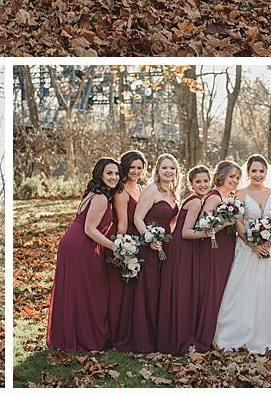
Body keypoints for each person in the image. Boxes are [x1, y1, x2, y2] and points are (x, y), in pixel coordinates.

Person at [212, 153, 271, 353]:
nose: (258, 174)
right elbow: (239, 223)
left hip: (270, 248)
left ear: (266, 172)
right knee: (245, 289)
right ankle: (236, 334)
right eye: (254, 171)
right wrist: (252, 244)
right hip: (247, 249)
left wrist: (270, 238)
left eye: (261, 171)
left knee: (269, 289)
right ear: (248, 172)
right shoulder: (239, 194)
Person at [46, 158, 119, 352]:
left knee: (77, 292)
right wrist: (114, 246)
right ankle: (83, 338)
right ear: (100, 175)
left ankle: (72, 335)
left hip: (72, 244)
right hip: (80, 246)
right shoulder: (101, 198)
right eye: (109, 173)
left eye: (116, 173)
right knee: (88, 292)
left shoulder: (93, 193)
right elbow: (90, 229)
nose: (114, 177)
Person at [157, 164, 215, 356]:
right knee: (183, 291)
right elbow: (186, 233)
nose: (203, 184)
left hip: (182, 249)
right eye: (198, 181)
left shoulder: (196, 200)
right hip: (183, 249)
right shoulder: (196, 202)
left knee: (180, 290)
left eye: (206, 181)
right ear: (191, 184)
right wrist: (210, 232)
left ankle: (172, 335)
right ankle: (180, 338)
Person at [128, 154, 181, 352]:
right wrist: (149, 239)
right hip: (150, 246)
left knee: (161, 289)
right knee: (149, 288)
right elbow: (138, 218)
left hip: (165, 246)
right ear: (157, 170)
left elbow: (172, 221)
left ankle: (159, 334)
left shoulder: (174, 192)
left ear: (177, 171)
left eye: (172, 168)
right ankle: (144, 337)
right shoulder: (152, 190)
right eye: (164, 168)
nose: (168, 171)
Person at [194, 159, 241, 350]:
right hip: (215, 249)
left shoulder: (229, 197)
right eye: (232, 176)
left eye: (237, 178)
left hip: (227, 246)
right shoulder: (214, 197)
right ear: (221, 176)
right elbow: (204, 225)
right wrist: (226, 223)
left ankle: (219, 331)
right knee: (214, 289)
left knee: (223, 290)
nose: (235, 180)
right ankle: (206, 334)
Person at [106, 150, 145, 351]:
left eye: (139, 167)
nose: (136, 171)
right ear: (125, 168)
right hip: (127, 243)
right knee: (123, 291)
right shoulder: (121, 192)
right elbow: (121, 224)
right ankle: (118, 334)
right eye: (132, 168)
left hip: (142, 241)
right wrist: (122, 250)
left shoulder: (141, 188)